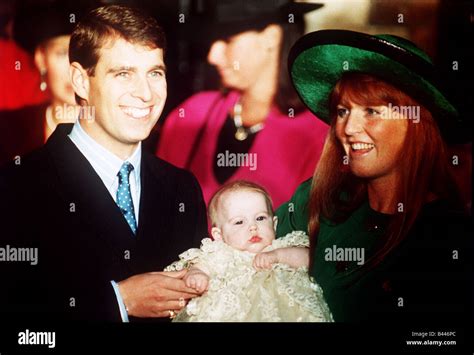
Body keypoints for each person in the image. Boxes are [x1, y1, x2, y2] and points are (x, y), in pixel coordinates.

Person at [0, 5, 207, 322]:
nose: (145, 94)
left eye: (155, 73)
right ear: (81, 81)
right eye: (123, 74)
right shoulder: (17, 186)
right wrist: (117, 301)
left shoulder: (182, 189)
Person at [276, 30, 471, 322]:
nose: (349, 128)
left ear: (416, 122)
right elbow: (240, 249)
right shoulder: (318, 202)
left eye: (371, 111)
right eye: (342, 111)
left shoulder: (447, 236)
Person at [156, 0, 328, 208]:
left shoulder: (318, 135)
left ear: (270, 37)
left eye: (228, 40)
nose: (213, 56)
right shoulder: (191, 114)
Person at [165, 180, 333, 322]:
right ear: (219, 235)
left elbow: (309, 259)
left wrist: (277, 256)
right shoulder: (221, 254)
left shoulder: (280, 247)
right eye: (239, 222)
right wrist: (197, 275)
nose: (253, 227)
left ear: (274, 224)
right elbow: (200, 266)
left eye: (260, 218)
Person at [0, 3, 81, 166]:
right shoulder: (9, 132)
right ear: (41, 59)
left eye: (83, 53)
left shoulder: (123, 129)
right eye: (62, 53)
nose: (74, 69)